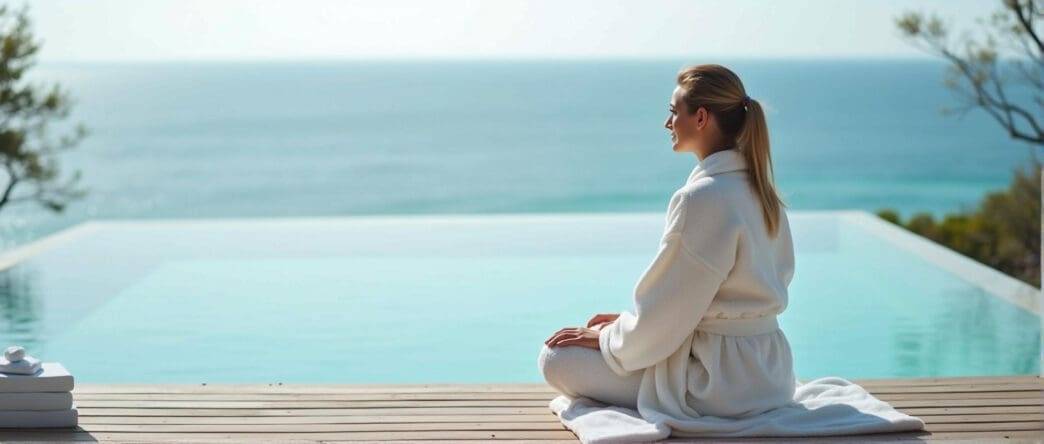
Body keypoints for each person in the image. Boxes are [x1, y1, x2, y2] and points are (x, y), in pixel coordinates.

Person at [538, 63, 798, 420]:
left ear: (701, 118)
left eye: (674, 113)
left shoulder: (703, 198)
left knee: (555, 358)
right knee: (608, 335)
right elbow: (698, 302)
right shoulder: (763, 194)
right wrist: (622, 327)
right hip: (772, 376)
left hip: (716, 385)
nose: (667, 123)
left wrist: (606, 339)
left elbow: (666, 317)